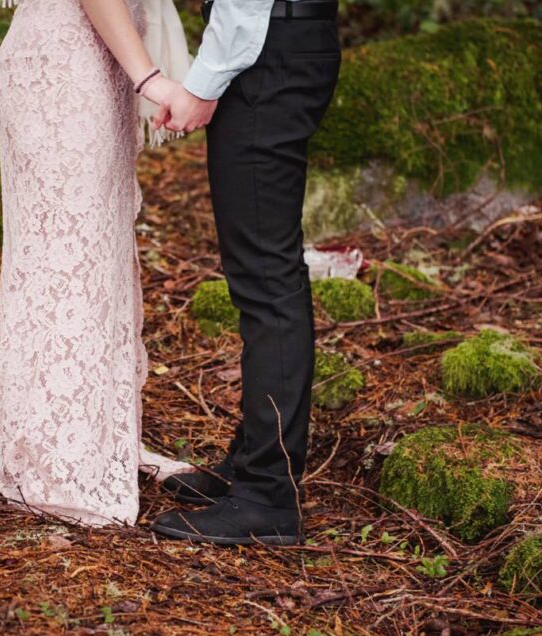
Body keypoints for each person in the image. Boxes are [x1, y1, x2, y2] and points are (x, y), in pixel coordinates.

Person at [0, 0, 195, 527]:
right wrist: (152, 80)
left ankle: (89, 435)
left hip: (94, 65)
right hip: (67, 71)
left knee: (90, 259)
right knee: (66, 260)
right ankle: (60, 457)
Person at [151, 0, 342, 545]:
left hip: (266, 52)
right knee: (259, 273)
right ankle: (252, 461)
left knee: (266, 278)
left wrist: (203, 82)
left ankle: (267, 494)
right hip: (277, 45)